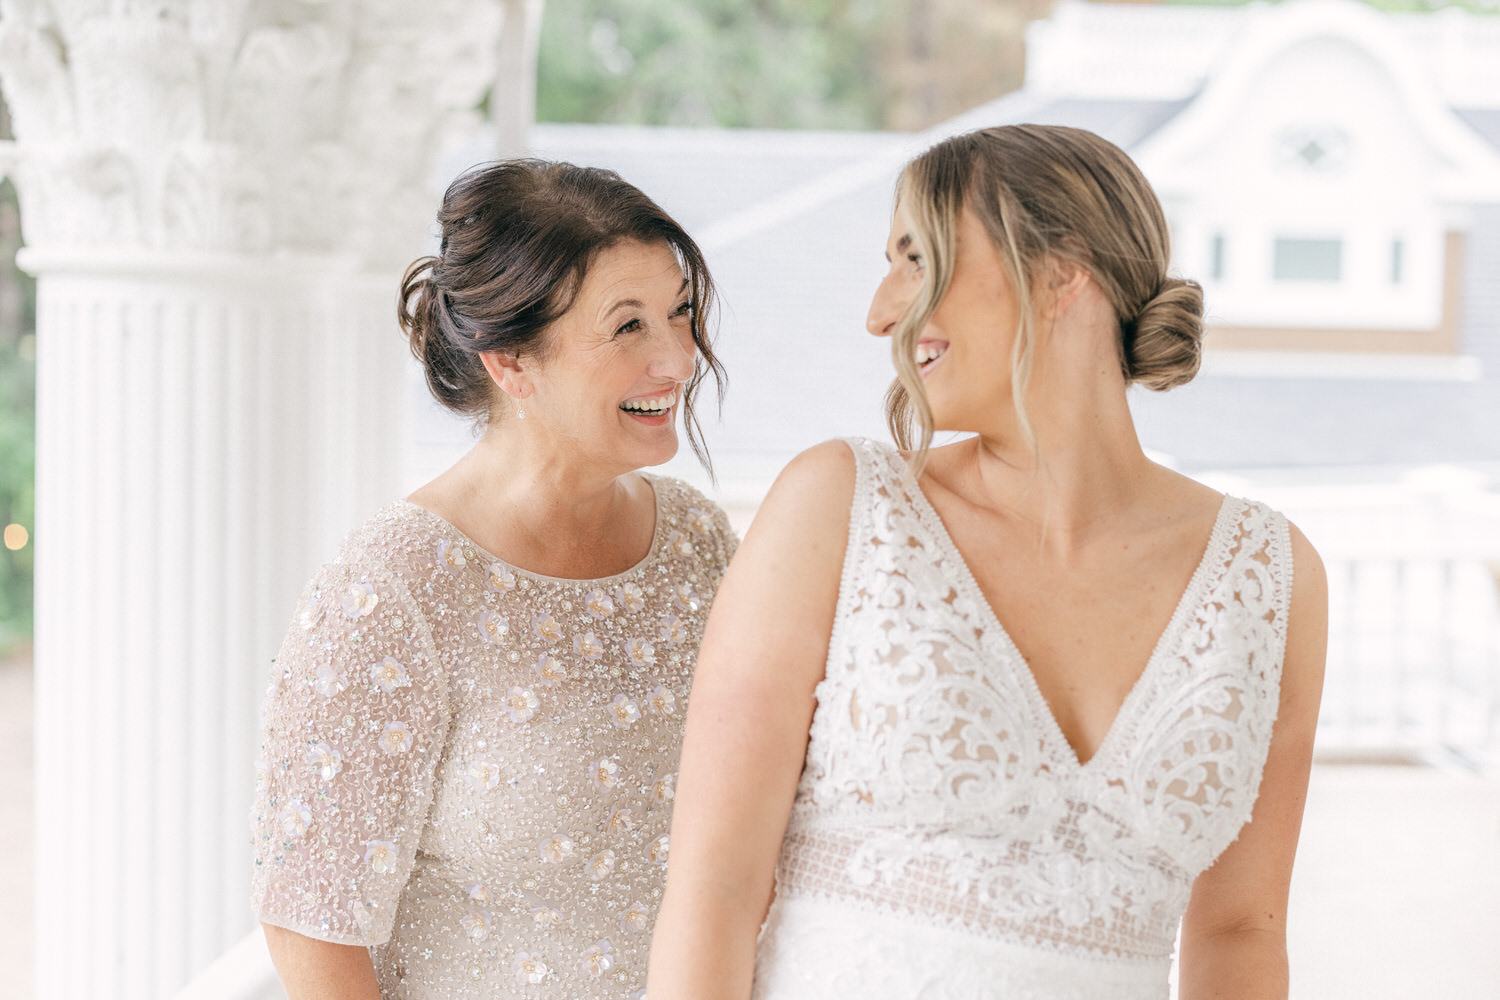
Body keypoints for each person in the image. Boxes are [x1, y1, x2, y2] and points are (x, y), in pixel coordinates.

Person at [648, 125, 1328, 1000]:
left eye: (916, 259)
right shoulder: (839, 507)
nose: (881, 313)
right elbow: (716, 887)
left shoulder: (1271, 578)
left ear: (1059, 273)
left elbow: (1241, 931)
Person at [250, 159, 738, 999]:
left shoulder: (697, 540)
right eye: (628, 328)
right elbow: (312, 926)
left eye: (680, 312)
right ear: (512, 362)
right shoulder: (390, 589)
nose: (680, 358)